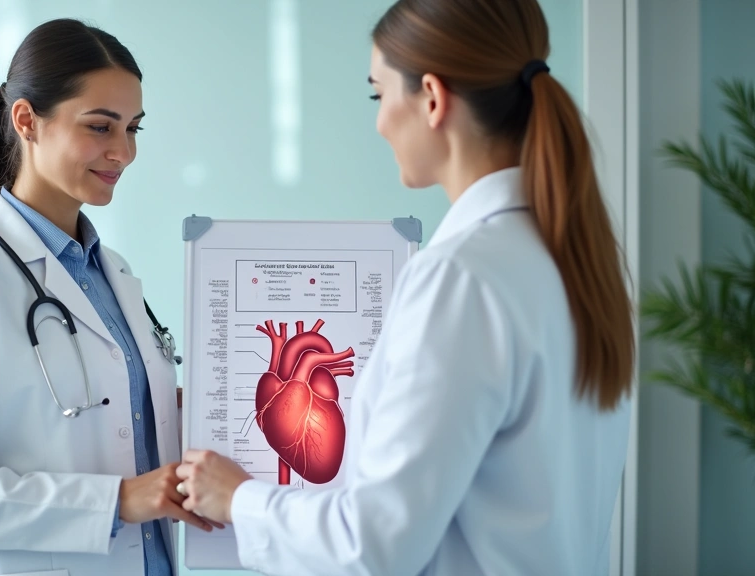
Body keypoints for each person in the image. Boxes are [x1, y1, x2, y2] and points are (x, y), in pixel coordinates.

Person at [174, 1, 634, 574]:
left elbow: (375, 544)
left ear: (434, 99)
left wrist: (238, 497)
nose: (379, 121)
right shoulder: (575, 260)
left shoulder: (463, 277)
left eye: (378, 94)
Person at [0, 18, 219, 576]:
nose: (124, 151)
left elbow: (111, 419)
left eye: (134, 129)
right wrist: (118, 501)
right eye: (100, 127)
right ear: (27, 121)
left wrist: (178, 407)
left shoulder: (112, 273)